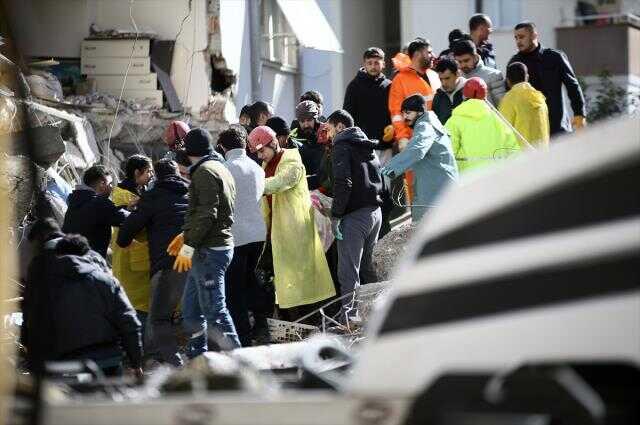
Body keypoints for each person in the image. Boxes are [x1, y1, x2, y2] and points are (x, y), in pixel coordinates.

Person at [22, 232, 142, 377]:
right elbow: (129, 322)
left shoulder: (45, 288)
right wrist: (136, 362)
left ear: (58, 255)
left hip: (65, 366)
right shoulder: (106, 281)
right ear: (87, 253)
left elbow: (33, 324)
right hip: (108, 360)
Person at [247, 126, 335, 319]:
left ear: (273, 143)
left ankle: (310, 322)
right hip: (276, 234)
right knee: (285, 283)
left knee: (304, 284)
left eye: (262, 150)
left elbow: (279, 183)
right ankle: (290, 321)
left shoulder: (292, 161)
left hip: (296, 232)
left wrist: (249, 185)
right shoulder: (266, 164)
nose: (261, 155)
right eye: (258, 152)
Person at [169, 128, 241, 356]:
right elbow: (210, 211)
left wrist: (188, 245)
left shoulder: (204, 173)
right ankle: (197, 356)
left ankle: (239, 361)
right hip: (207, 247)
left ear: (189, 152)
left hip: (209, 251)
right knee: (191, 311)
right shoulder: (219, 167)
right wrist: (187, 235)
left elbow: (207, 214)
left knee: (214, 311)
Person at [117, 159, 189, 367]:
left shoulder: (152, 197)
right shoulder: (190, 194)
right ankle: (199, 358)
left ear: (157, 175)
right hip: (197, 262)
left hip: (168, 265)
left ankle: (160, 363)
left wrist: (125, 239)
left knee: (158, 319)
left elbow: (126, 232)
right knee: (194, 315)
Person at [325, 110, 383, 313]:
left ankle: (349, 318)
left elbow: (343, 182)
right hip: (375, 213)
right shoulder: (366, 146)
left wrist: (336, 215)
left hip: (355, 217)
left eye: (330, 129)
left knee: (348, 273)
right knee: (367, 267)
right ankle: (380, 311)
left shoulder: (341, 145)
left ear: (340, 127)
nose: (329, 135)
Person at [216, 127, 269, 347]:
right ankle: (262, 324)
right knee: (249, 280)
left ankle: (244, 339)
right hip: (258, 234)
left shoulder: (224, 169)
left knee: (234, 290)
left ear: (223, 147)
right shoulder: (257, 168)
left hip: (236, 236)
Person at [381, 95, 458, 222]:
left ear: (420, 111)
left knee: (421, 231)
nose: (405, 117)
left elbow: (417, 150)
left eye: (408, 112)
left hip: (433, 194)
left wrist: (388, 170)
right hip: (440, 190)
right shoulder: (432, 123)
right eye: (403, 113)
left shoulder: (425, 126)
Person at [508, 21, 586, 135]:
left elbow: (572, 86)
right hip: (531, 130)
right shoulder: (515, 63)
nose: (518, 41)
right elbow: (510, 94)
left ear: (534, 36)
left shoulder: (555, 57)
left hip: (558, 127)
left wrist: (580, 113)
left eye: (521, 37)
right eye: (516, 38)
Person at [111, 154, 153, 338]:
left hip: (140, 257)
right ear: (137, 172)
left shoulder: (140, 191)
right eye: (148, 171)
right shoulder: (123, 196)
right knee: (136, 306)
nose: (151, 175)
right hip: (131, 258)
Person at [445, 77, 521, 173]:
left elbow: (447, 154)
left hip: (469, 179)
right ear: (485, 96)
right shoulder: (497, 119)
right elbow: (513, 150)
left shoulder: (454, 121)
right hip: (498, 176)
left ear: (463, 96)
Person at [63, 165, 129, 258]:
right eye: (110, 184)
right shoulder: (99, 203)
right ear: (102, 184)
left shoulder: (76, 200)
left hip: (68, 261)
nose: (112, 188)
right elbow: (127, 218)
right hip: (88, 264)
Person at [389, 37, 441, 150]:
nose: (434, 56)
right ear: (418, 54)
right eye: (429, 52)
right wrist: (403, 138)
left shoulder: (435, 76)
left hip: (436, 139)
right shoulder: (400, 80)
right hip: (413, 142)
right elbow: (396, 113)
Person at [343, 47, 392, 144]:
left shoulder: (390, 86)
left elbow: (395, 113)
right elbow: (347, 116)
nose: (373, 66)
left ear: (383, 64)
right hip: (361, 144)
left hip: (385, 143)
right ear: (364, 64)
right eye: (369, 63)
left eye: (376, 63)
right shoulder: (354, 86)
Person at [499, 62, 550, 148]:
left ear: (508, 80)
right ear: (527, 77)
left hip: (522, 156)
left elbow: (502, 129)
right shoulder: (540, 97)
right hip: (543, 153)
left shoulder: (509, 99)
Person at [452, 39, 505, 106]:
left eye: (466, 60)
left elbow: (502, 107)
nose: (463, 65)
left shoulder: (493, 75)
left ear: (475, 57)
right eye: (459, 62)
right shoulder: (456, 78)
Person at [292, 100, 326, 190]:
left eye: (309, 120)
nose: (306, 124)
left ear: (315, 118)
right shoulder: (293, 137)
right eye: (302, 121)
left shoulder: (326, 133)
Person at [433, 58, 467, 124]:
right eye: (441, 79)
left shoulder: (471, 92)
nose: (443, 83)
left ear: (457, 74)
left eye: (447, 78)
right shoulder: (438, 97)